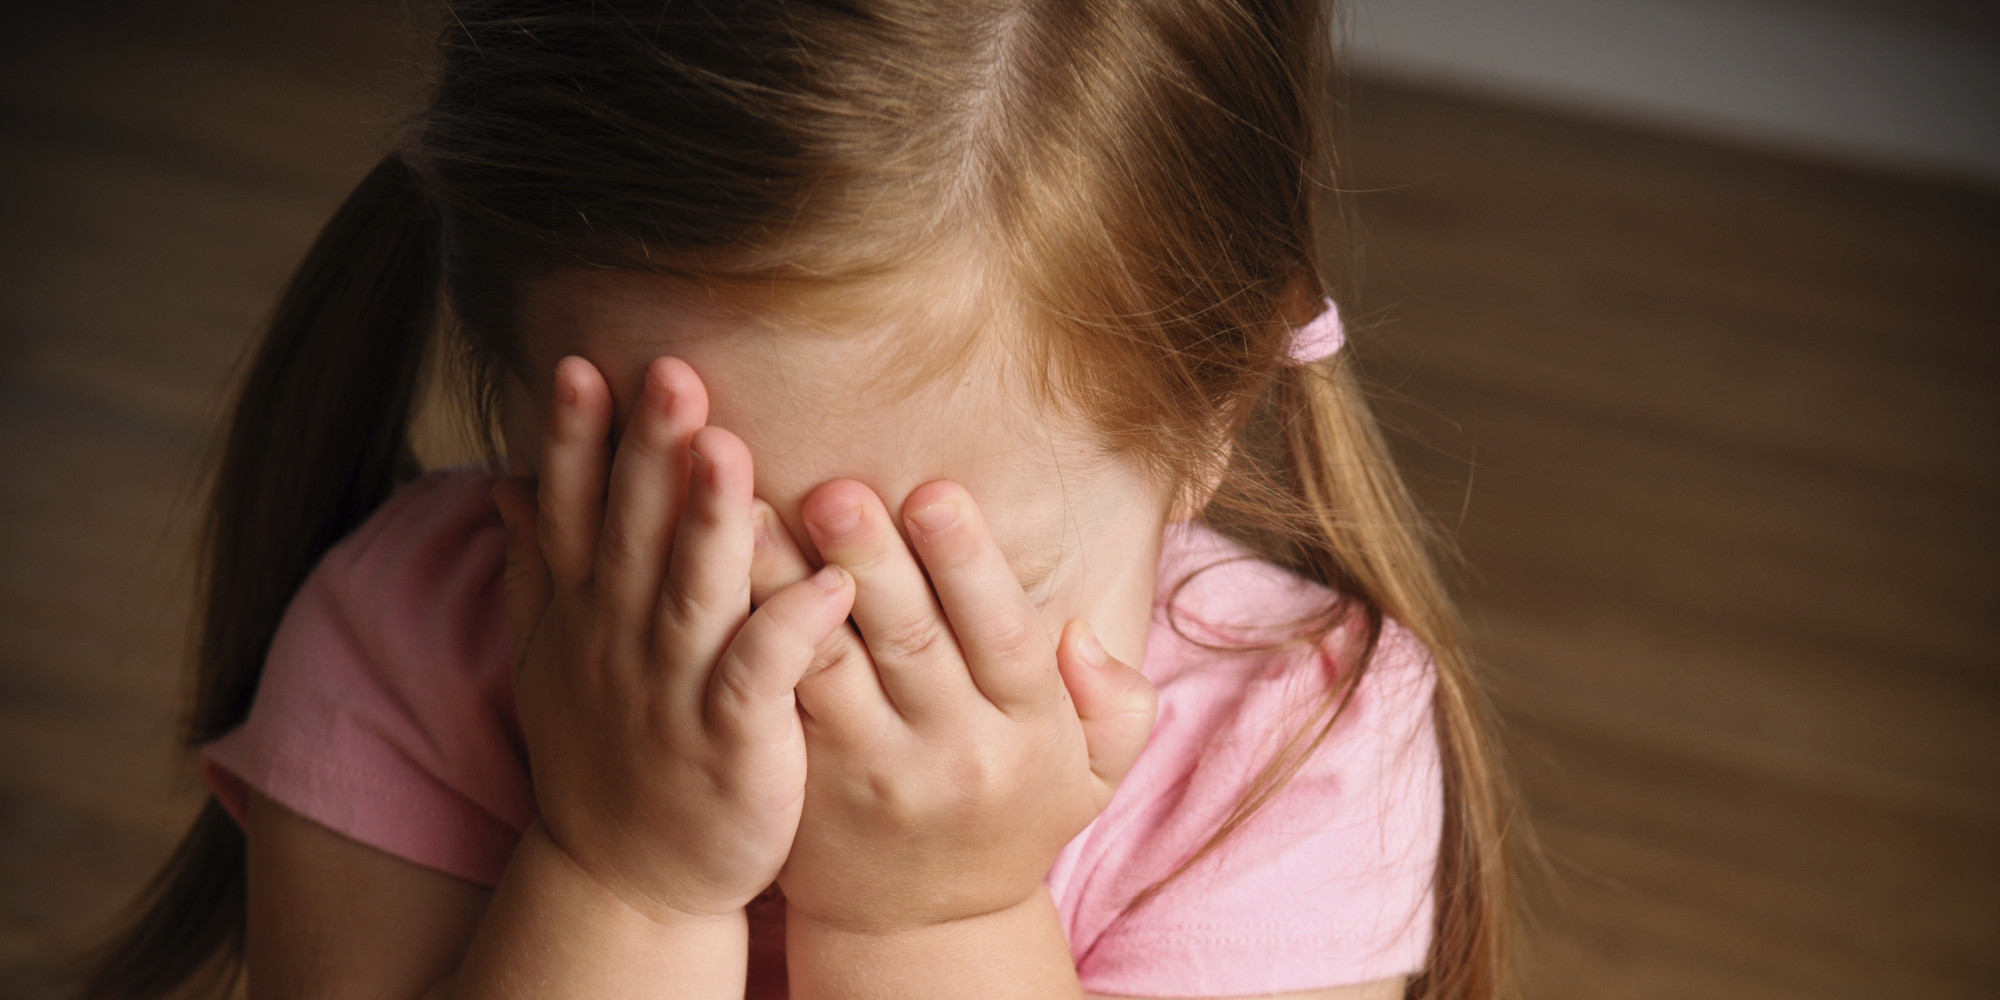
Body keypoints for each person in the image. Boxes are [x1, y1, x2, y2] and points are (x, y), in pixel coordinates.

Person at [76, 2, 1514, 998]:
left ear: (1209, 424)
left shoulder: (1289, 749)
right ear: (517, 415)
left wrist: (932, 919)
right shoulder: (403, 647)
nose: (799, 679)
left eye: (945, 602)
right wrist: (620, 879)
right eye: (700, 567)